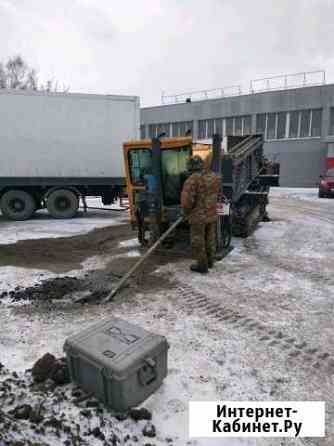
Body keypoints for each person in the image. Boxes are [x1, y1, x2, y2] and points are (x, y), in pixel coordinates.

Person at [181, 155, 221, 273]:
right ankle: (210, 261)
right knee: (210, 238)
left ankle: (202, 265)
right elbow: (217, 194)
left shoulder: (192, 179)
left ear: (190, 167)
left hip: (198, 217)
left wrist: (185, 212)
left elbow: (187, 201)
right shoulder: (213, 177)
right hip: (211, 214)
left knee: (198, 241)